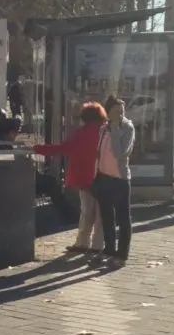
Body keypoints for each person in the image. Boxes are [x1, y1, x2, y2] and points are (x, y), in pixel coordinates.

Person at [34, 102, 105, 254]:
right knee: (100, 213)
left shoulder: (82, 133)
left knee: (86, 212)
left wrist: (39, 149)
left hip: (86, 178)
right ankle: (98, 245)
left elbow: (63, 148)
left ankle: (82, 243)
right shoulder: (105, 132)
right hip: (104, 177)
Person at [92, 96, 135, 267]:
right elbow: (99, 153)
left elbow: (120, 152)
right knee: (106, 216)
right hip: (104, 177)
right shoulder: (104, 128)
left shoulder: (127, 128)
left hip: (120, 179)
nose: (120, 114)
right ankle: (109, 249)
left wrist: (116, 128)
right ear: (108, 112)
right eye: (116, 111)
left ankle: (122, 254)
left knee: (123, 218)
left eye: (122, 111)